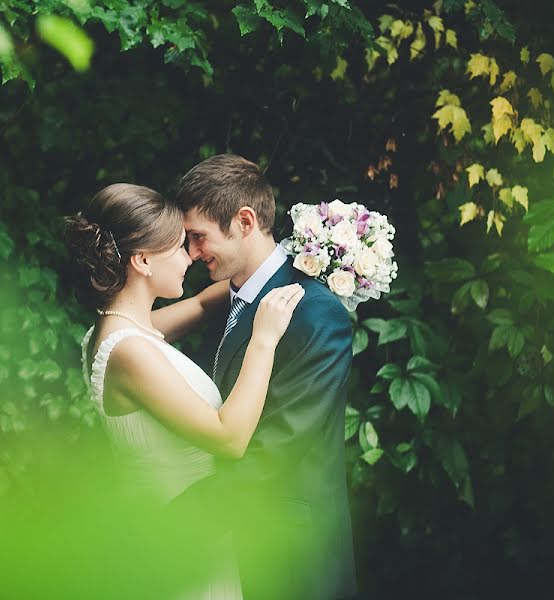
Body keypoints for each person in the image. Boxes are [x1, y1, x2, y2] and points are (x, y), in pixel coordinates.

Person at [64, 182, 304, 599]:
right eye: (177, 247)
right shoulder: (129, 352)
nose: (190, 256)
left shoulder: (118, 328)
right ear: (141, 260)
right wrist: (263, 341)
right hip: (176, 541)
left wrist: (275, 261)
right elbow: (229, 439)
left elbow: (201, 305)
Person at [173, 154, 358, 599]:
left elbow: (278, 445)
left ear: (244, 220)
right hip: (237, 543)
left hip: (291, 555)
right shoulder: (228, 298)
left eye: (199, 238)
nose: (193, 254)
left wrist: (174, 519)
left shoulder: (314, 313)